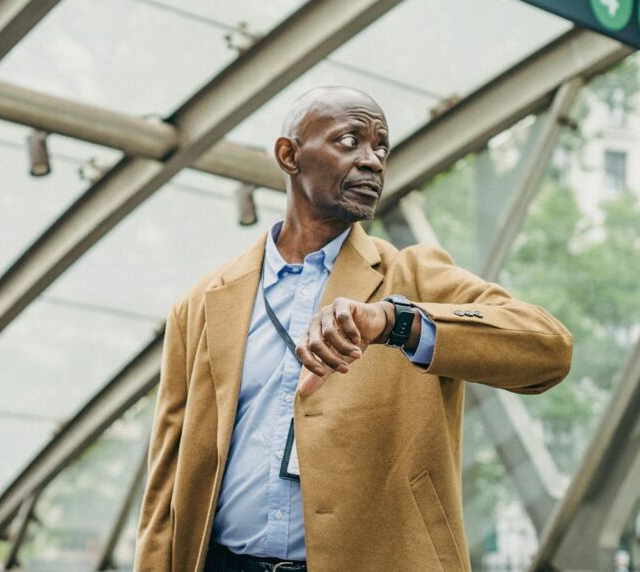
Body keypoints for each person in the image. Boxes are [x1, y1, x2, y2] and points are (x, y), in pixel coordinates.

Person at [135, 86, 573, 572]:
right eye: (350, 141)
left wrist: (397, 321)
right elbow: (166, 488)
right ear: (290, 155)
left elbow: (547, 348)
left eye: (381, 147)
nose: (373, 162)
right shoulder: (200, 305)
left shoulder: (412, 276)